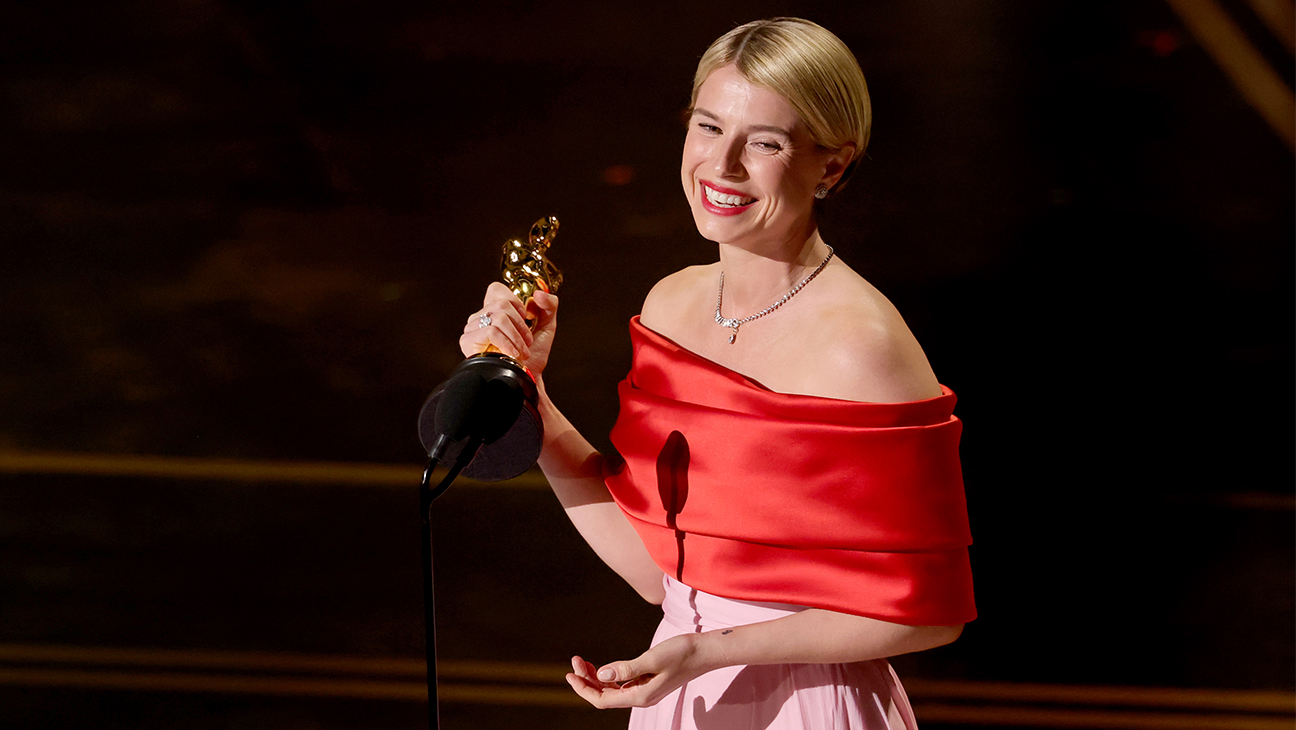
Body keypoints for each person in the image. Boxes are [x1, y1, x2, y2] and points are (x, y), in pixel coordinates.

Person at [459, 17, 975, 729]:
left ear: (832, 165)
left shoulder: (862, 346)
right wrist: (531, 398)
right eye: (707, 128)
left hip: (807, 703)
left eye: (764, 143)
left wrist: (710, 650)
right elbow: (655, 570)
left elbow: (931, 614)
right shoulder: (672, 303)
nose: (721, 166)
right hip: (682, 687)